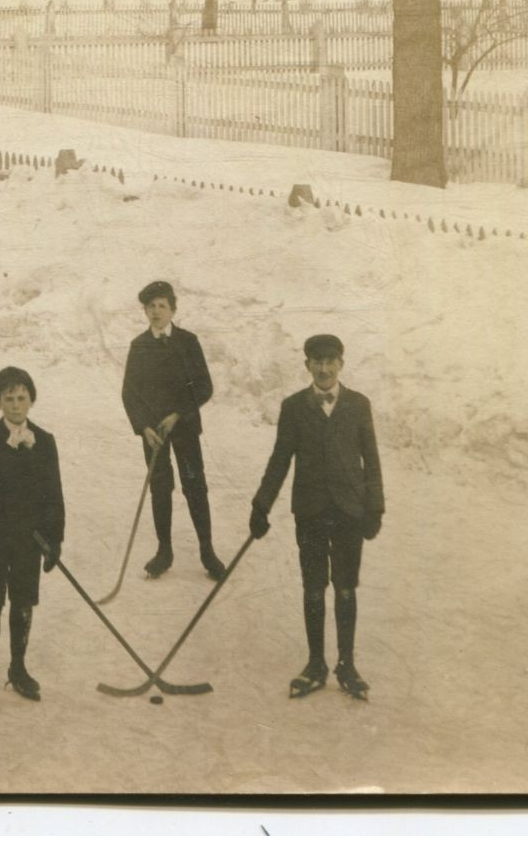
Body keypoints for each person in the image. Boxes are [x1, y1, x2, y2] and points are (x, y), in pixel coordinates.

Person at [249, 334, 384, 700]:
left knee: (344, 587)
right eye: (316, 361)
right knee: (312, 587)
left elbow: (371, 460)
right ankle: (315, 664)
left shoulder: (358, 405)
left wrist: (375, 506)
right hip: (309, 510)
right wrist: (261, 504)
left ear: (341, 363)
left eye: (330, 360)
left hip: (348, 511)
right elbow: (280, 460)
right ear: (306, 365)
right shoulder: (294, 407)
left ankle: (346, 664)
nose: (323, 368)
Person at [0, 367, 65, 709]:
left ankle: (18, 668)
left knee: (22, 604)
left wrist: (54, 539)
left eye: (21, 398)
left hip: (27, 542)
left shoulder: (44, 442)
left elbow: (54, 495)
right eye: (9, 398)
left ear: (31, 400)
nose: (16, 405)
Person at [120, 280, 224, 579]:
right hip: (154, 434)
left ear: (173, 309)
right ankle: (164, 551)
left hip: (185, 428)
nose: (155, 312)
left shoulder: (188, 342)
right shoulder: (138, 346)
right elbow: (129, 392)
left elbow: (204, 386)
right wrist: (143, 427)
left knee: (195, 487)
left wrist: (179, 413)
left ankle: (207, 551)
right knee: (160, 489)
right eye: (150, 306)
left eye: (161, 306)